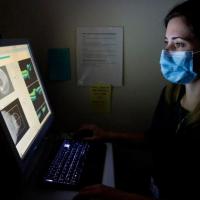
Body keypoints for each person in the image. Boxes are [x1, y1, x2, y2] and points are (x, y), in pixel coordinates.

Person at [73, 1, 200, 199]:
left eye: (179, 43)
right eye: (166, 42)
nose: (167, 52)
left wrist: (115, 196)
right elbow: (155, 139)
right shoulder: (171, 94)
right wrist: (107, 135)